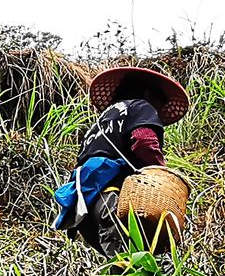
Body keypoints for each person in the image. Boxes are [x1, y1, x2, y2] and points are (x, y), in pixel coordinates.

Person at [54, 63, 187, 244]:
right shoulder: (142, 106)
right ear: (149, 94)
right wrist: (160, 177)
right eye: (159, 102)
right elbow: (144, 142)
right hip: (114, 200)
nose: (157, 110)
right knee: (136, 265)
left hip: (85, 207)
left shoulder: (101, 122)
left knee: (119, 265)